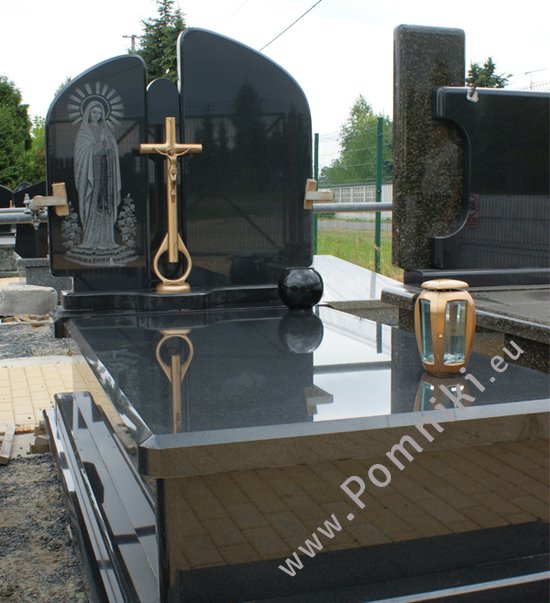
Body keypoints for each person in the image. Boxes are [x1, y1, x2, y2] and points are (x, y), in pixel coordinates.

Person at [74, 100, 121, 250]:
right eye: (94, 112)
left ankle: (107, 240)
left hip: (106, 177)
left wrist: (108, 145)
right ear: (88, 113)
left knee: (106, 206)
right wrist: (99, 144)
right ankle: (91, 240)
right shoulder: (84, 132)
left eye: (99, 113)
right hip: (92, 179)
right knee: (94, 206)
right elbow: (82, 154)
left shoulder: (106, 130)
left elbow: (113, 150)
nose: (96, 115)